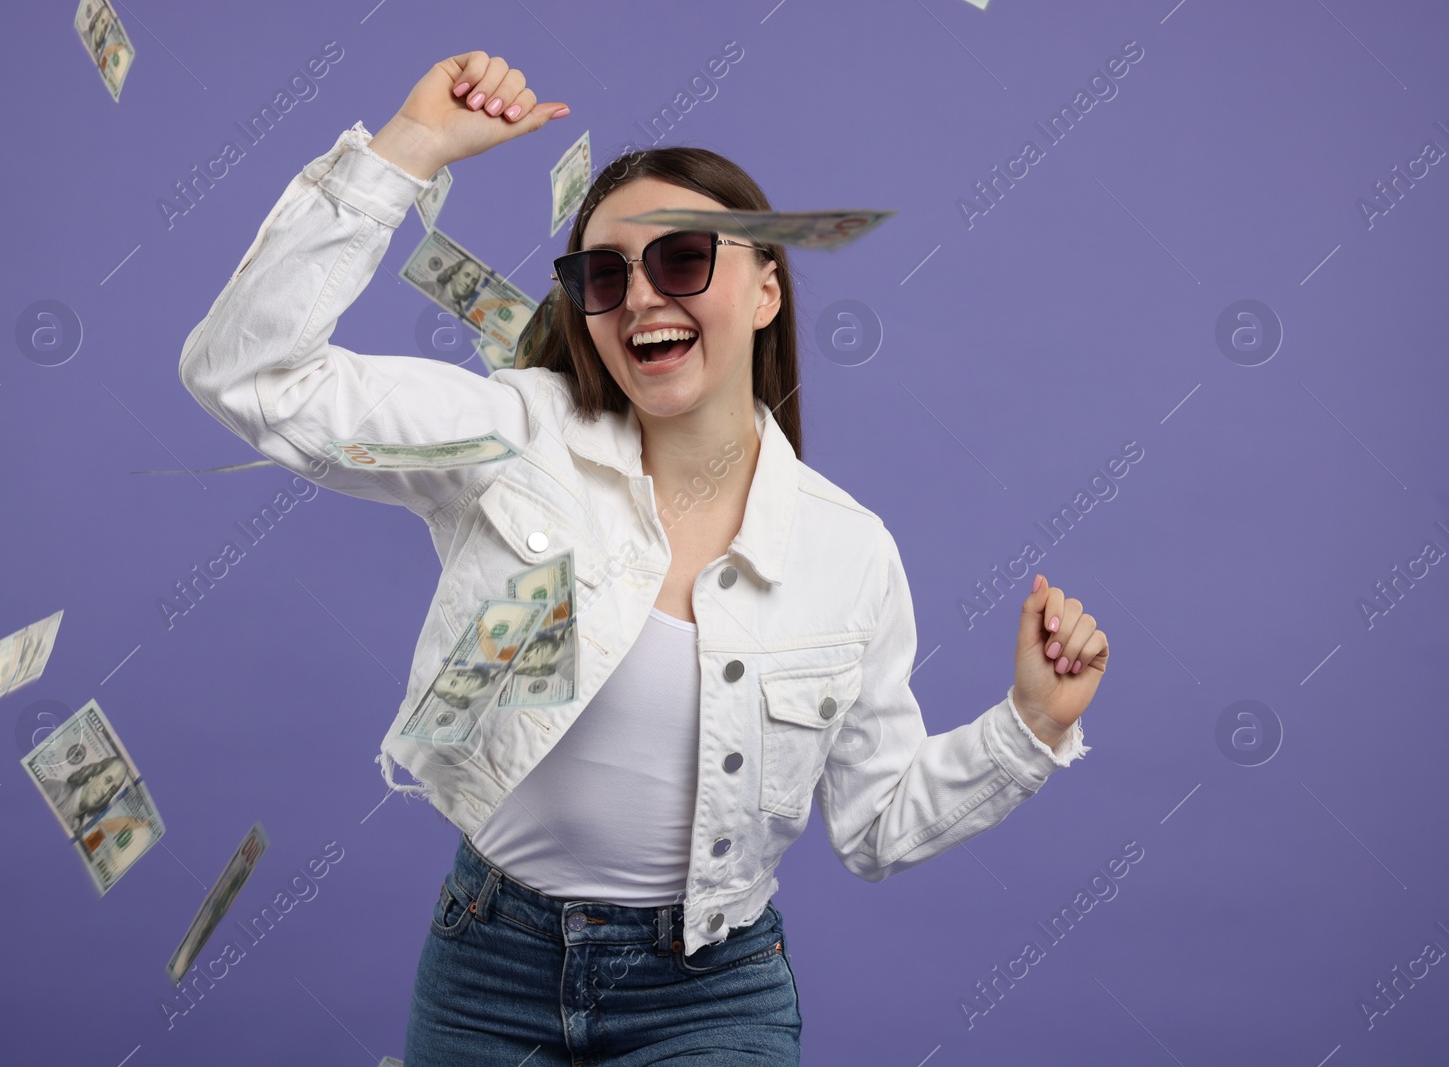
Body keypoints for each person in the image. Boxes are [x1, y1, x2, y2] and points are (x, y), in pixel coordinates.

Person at [178, 49, 1110, 1065]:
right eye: (602, 275)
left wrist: (1029, 727)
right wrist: (408, 150)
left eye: (682, 259)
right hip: (489, 963)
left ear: (764, 289)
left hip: (710, 994)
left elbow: (876, 823)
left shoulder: (848, 552)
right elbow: (247, 375)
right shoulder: (511, 437)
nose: (639, 297)